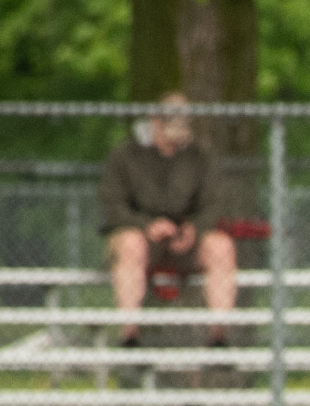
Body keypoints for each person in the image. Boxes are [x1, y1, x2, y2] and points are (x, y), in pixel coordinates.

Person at [98, 92, 238, 346]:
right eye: (172, 126)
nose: (178, 134)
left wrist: (193, 229)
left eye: (183, 126)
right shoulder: (125, 155)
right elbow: (112, 205)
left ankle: (219, 338)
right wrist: (147, 226)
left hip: (185, 241)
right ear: (155, 121)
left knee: (221, 246)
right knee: (130, 243)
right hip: (139, 238)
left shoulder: (198, 156)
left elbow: (215, 203)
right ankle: (130, 336)